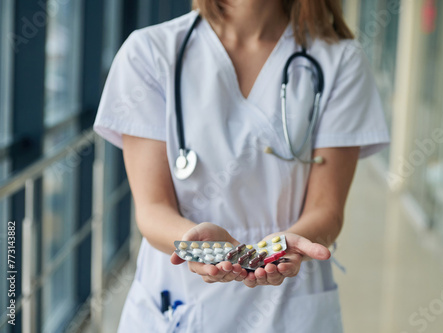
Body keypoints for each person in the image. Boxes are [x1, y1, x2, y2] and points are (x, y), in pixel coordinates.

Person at [93, 0, 389, 331]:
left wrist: (288, 245)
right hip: (180, 299)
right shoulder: (150, 52)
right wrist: (198, 246)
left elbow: (327, 209)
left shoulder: (339, 60)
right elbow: (151, 209)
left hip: (291, 303)